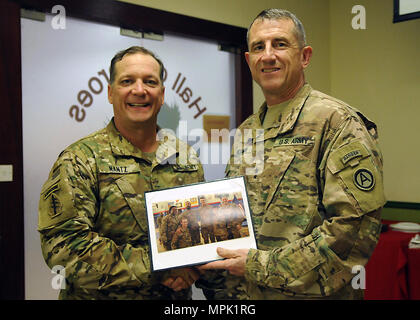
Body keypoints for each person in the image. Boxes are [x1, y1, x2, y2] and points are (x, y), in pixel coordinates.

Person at [197, 9, 385, 299]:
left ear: (305, 56)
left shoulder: (336, 122)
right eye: (259, 47)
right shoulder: (248, 131)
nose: (268, 55)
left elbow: (354, 232)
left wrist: (262, 266)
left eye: (280, 44)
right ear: (249, 60)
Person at [38, 46, 204, 299]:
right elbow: (63, 248)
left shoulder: (186, 158)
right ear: (110, 93)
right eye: (127, 81)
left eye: (150, 82)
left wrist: (196, 264)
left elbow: (199, 233)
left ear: (161, 94)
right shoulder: (81, 159)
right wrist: (159, 266)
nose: (139, 90)